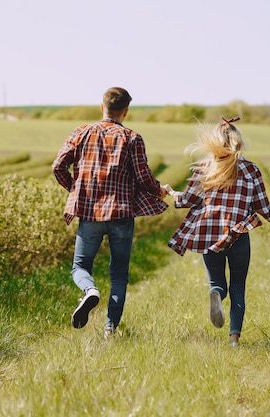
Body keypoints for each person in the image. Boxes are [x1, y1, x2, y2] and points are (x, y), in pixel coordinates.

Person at [162, 117, 270, 347]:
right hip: (238, 234)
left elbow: (188, 200)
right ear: (238, 141)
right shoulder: (251, 169)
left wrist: (172, 192)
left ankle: (216, 294)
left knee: (217, 283)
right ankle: (234, 338)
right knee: (238, 287)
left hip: (208, 235)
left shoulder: (205, 168)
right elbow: (261, 206)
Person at [52, 87, 167, 338]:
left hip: (90, 213)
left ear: (101, 107)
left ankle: (90, 291)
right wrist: (160, 191)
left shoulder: (81, 132)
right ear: (126, 112)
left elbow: (58, 166)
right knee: (119, 274)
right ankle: (109, 330)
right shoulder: (132, 138)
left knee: (80, 267)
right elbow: (144, 177)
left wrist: (77, 190)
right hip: (122, 215)